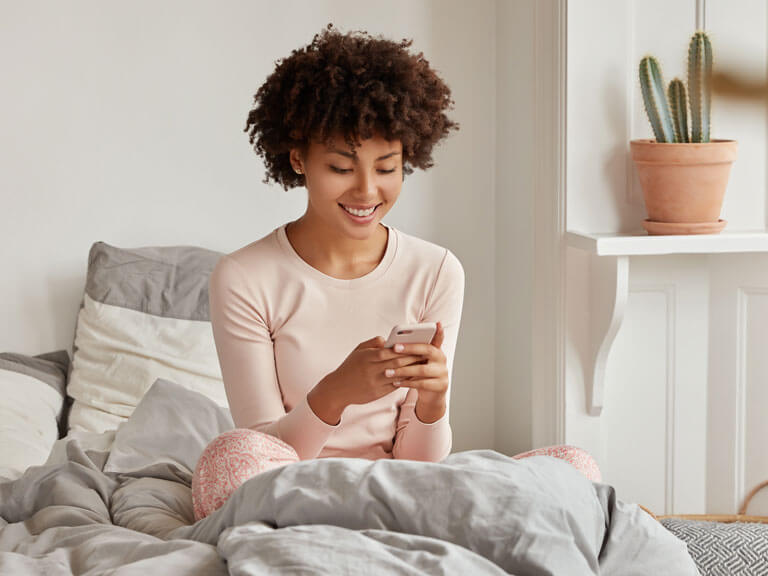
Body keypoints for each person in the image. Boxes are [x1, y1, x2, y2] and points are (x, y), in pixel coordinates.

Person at [192, 23, 599, 520]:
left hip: (405, 495)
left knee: (575, 468)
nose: (367, 191)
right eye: (342, 168)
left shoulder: (435, 270)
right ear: (297, 158)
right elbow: (261, 452)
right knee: (228, 459)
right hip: (296, 491)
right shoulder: (243, 276)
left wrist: (433, 400)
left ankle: (384, 533)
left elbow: (422, 465)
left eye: (387, 168)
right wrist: (335, 393)